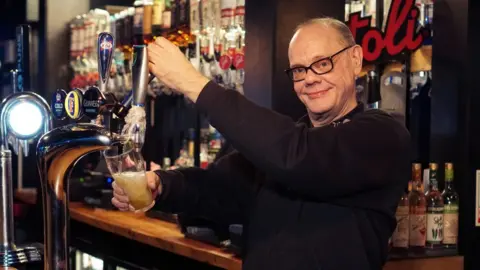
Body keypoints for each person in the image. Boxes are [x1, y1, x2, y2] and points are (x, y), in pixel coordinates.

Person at [112, 17, 411, 270]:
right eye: (299, 70)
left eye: (322, 63)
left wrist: (192, 82)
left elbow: (300, 159)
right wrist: (161, 185)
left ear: (355, 59)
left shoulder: (382, 135)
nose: (309, 78)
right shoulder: (282, 143)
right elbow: (217, 188)